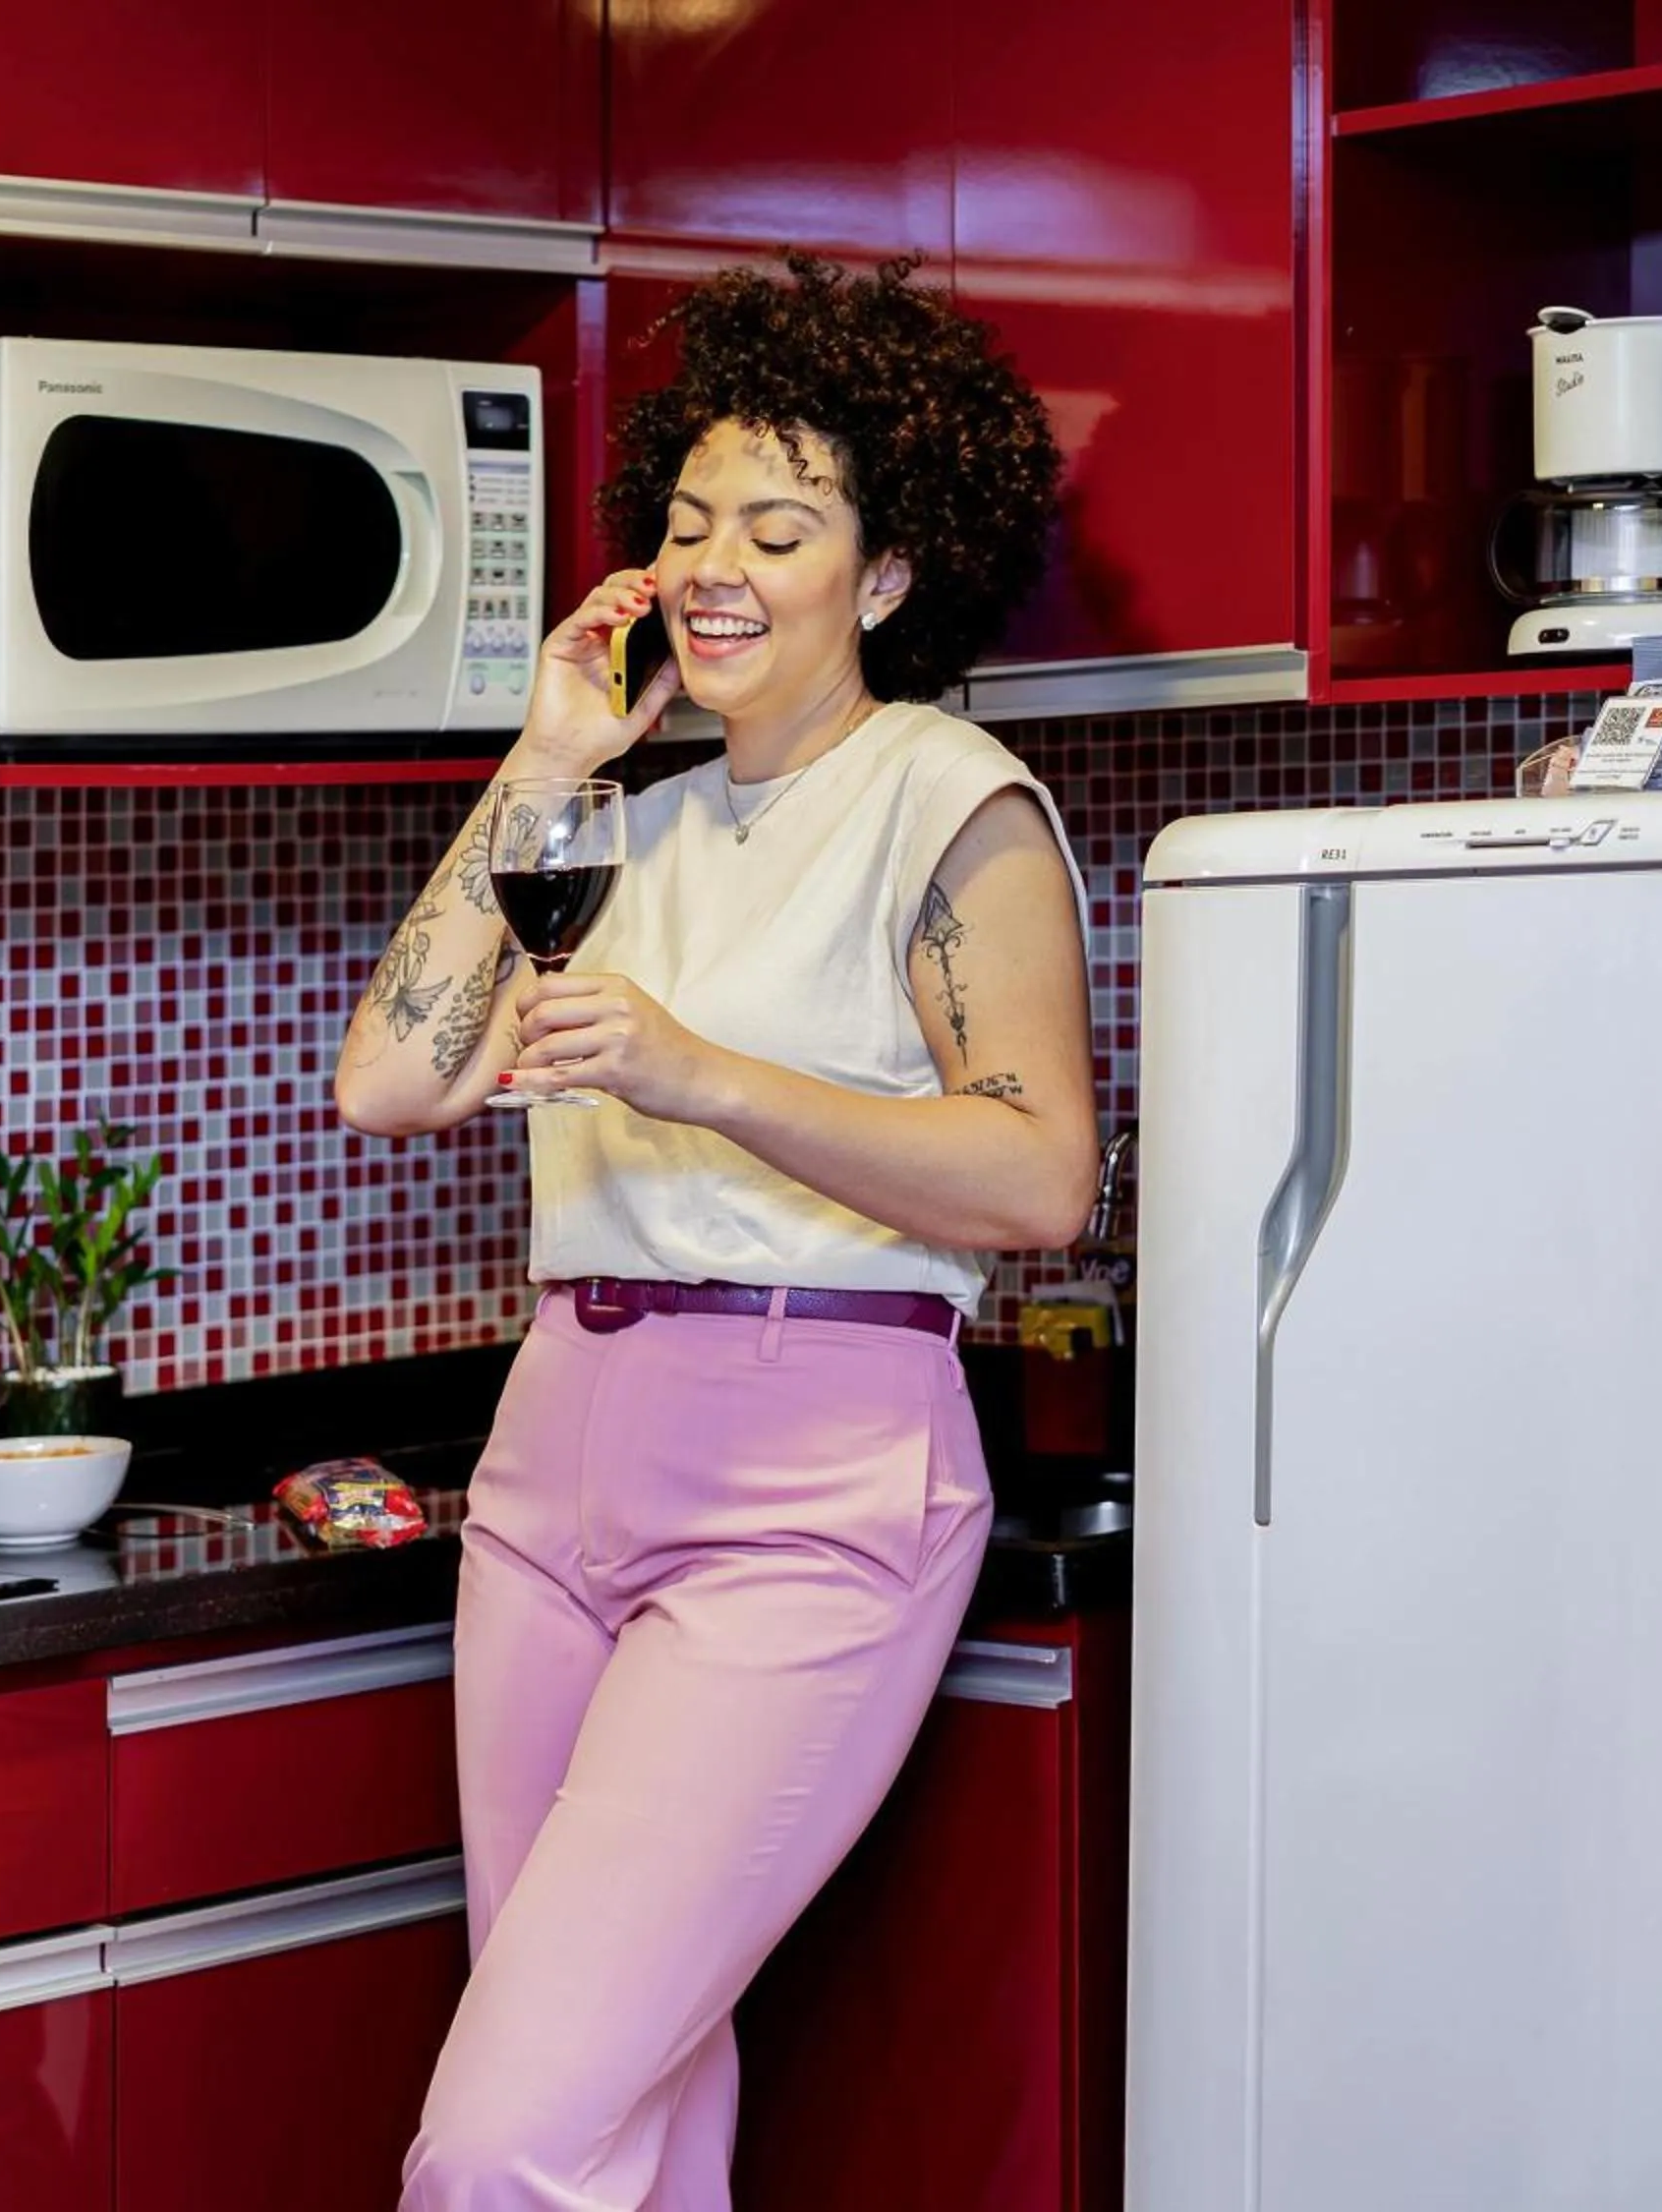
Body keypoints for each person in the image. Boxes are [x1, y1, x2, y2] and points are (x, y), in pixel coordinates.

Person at [334, 253, 1097, 2212]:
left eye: (781, 523)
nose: (717, 564)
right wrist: (549, 757)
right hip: (548, 1471)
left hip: (812, 1482)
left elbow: (1040, 1182)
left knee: (504, 2140)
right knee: (631, 2120)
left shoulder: (951, 798)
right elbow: (392, 1084)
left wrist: (698, 1072)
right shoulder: (623, 830)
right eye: (687, 525)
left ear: (894, 571)